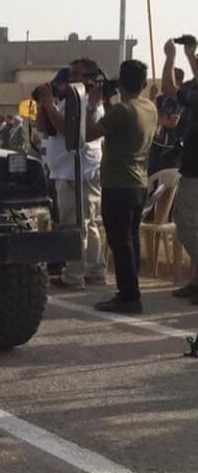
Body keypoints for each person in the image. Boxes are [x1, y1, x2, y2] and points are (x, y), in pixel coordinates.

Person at [84, 59, 156, 314]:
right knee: (131, 239)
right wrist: (107, 102)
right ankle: (130, 288)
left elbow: (90, 133)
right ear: (144, 83)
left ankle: (128, 296)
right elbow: (121, 123)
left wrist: (93, 104)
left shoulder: (122, 111)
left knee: (119, 241)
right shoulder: (149, 107)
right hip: (138, 183)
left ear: (121, 83)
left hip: (118, 185)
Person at [38, 61, 107, 290]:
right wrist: (44, 104)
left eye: (76, 73)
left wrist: (49, 105)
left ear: (90, 77)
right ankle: (94, 271)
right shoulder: (72, 99)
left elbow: (69, 131)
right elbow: (43, 127)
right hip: (69, 170)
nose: (70, 77)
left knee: (76, 225)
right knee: (88, 224)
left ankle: (74, 276)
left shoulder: (89, 101)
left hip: (78, 171)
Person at [161, 38, 198, 301]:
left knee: (185, 224)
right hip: (192, 167)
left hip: (196, 172)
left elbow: (169, 88)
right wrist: (191, 54)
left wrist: (171, 56)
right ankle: (195, 282)